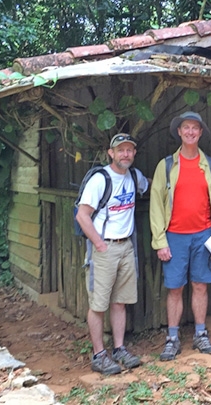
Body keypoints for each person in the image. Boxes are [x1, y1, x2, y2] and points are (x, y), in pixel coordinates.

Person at [149, 111, 211, 361]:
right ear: (179, 132)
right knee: (175, 288)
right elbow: (156, 204)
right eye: (186, 127)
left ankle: (200, 334)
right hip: (174, 236)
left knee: (200, 285)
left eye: (195, 128)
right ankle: (172, 338)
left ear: (201, 132)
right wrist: (159, 241)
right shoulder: (166, 166)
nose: (190, 132)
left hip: (203, 235)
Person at [75, 133, 149, 375]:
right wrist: (98, 244)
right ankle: (98, 355)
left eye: (129, 150)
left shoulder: (134, 177)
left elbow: (155, 185)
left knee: (120, 302)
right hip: (104, 248)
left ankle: (118, 349)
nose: (125, 154)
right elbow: (82, 215)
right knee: (98, 304)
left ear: (134, 153)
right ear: (111, 153)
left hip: (126, 246)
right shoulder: (100, 180)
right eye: (121, 150)